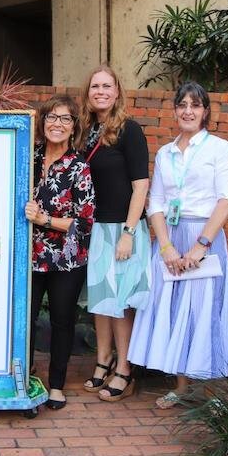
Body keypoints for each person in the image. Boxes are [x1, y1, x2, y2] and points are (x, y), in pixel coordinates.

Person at [128, 81, 228, 409]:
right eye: (182, 105)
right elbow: (157, 203)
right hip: (171, 238)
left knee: (205, 310)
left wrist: (201, 245)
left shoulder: (218, 148)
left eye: (195, 105)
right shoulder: (166, 153)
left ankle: (210, 391)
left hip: (204, 237)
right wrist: (165, 247)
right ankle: (181, 387)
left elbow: (227, 198)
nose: (188, 111)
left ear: (205, 111)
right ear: (175, 110)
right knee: (175, 308)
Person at [78, 65, 151, 402]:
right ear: (88, 93)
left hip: (122, 228)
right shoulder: (86, 131)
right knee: (101, 300)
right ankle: (102, 360)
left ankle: (125, 367)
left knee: (120, 302)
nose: (101, 92)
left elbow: (141, 187)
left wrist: (128, 232)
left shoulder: (130, 130)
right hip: (95, 228)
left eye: (107, 86)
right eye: (95, 86)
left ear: (117, 92)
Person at [25, 95, 95, 410]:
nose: (57, 124)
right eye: (52, 117)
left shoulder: (79, 167)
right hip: (27, 255)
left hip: (66, 259)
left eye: (65, 119)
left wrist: (46, 220)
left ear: (74, 127)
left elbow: (85, 222)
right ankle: (23, 376)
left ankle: (56, 385)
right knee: (23, 317)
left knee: (62, 320)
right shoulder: (27, 156)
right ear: (42, 123)